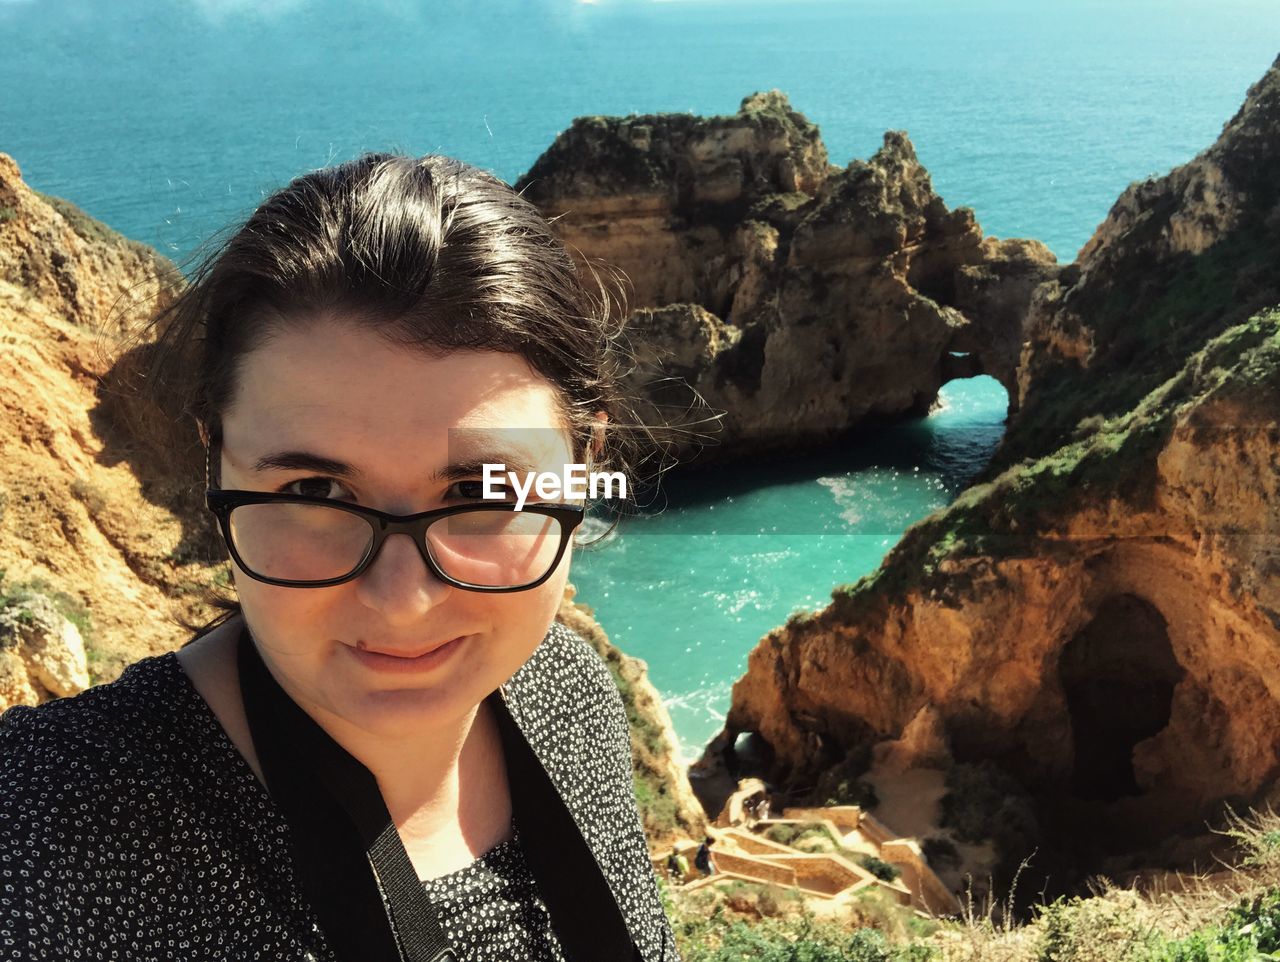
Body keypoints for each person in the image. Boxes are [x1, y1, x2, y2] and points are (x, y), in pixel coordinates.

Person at [0, 153, 698, 961]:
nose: (402, 600)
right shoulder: (42, 837)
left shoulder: (569, 693)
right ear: (212, 462)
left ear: (585, 463)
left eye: (478, 492)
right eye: (314, 493)